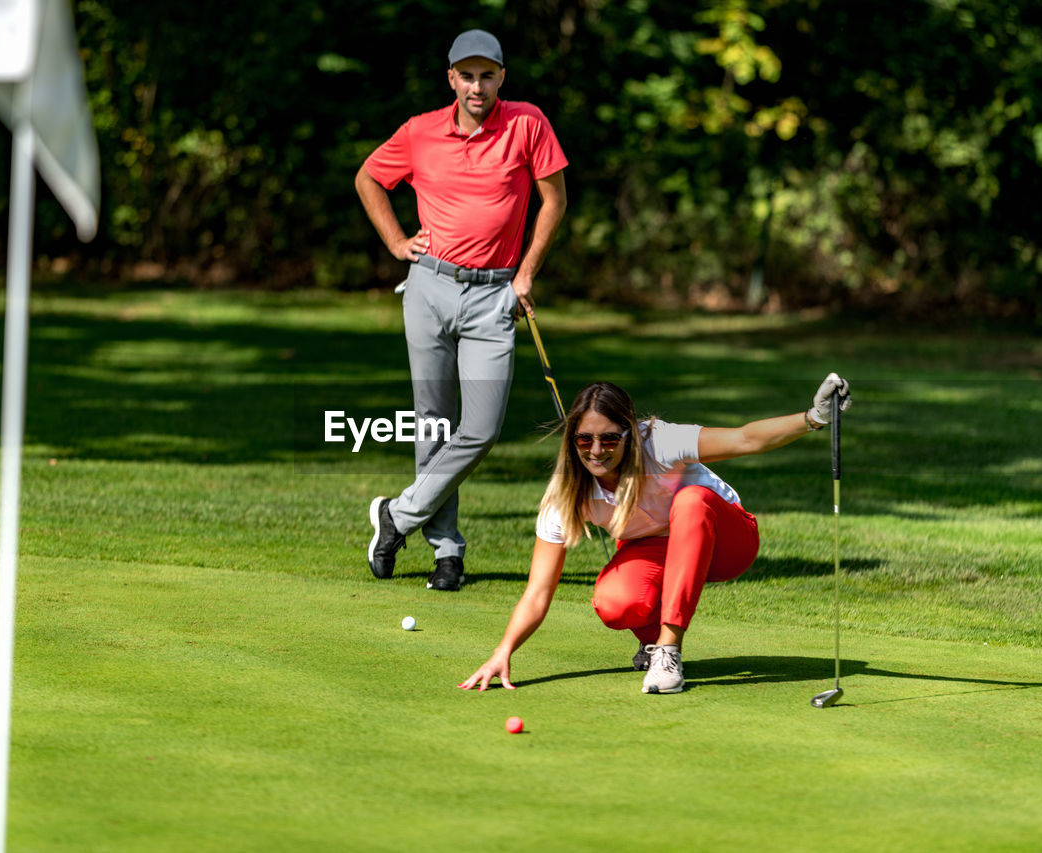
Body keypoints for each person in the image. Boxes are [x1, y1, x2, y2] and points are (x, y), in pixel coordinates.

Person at [458, 374, 852, 695]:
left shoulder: (658, 442)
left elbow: (744, 438)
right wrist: (502, 651)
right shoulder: (565, 494)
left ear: (629, 433)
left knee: (691, 500)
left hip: (727, 540)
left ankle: (668, 650)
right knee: (614, 601)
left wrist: (813, 417)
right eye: (584, 440)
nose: (597, 450)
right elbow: (538, 591)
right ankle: (651, 642)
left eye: (609, 438)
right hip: (656, 550)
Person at [356, 29, 568, 592]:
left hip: (494, 294)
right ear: (451, 78)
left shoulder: (527, 123)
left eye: (488, 74)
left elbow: (556, 200)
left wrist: (525, 274)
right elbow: (369, 178)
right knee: (433, 422)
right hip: (429, 288)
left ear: (503, 77)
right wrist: (398, 243)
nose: (478, 86)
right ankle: (446, 550)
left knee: (479, 427)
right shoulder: (421, 131)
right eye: (467, 75)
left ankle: (396, 517)